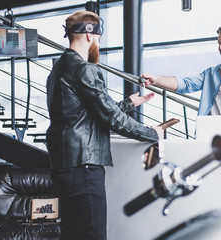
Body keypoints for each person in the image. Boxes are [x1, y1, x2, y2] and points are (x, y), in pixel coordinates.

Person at [46, 10, 163, 240]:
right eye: (99, 37)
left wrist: (129, 103)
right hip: (84, 168)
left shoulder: (58, 68)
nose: (98, 42)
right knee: (92, 234)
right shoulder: (85, 69)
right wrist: (152, 133)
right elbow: (111, 118)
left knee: (72, 234)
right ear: (89, 35)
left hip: (64, 166)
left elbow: (85, 111)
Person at [141, 22, 221, 116]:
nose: (220, 47)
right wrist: (156, 80)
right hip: (210, 136)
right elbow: (185, 84)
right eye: (219, 43)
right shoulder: (211, 73)